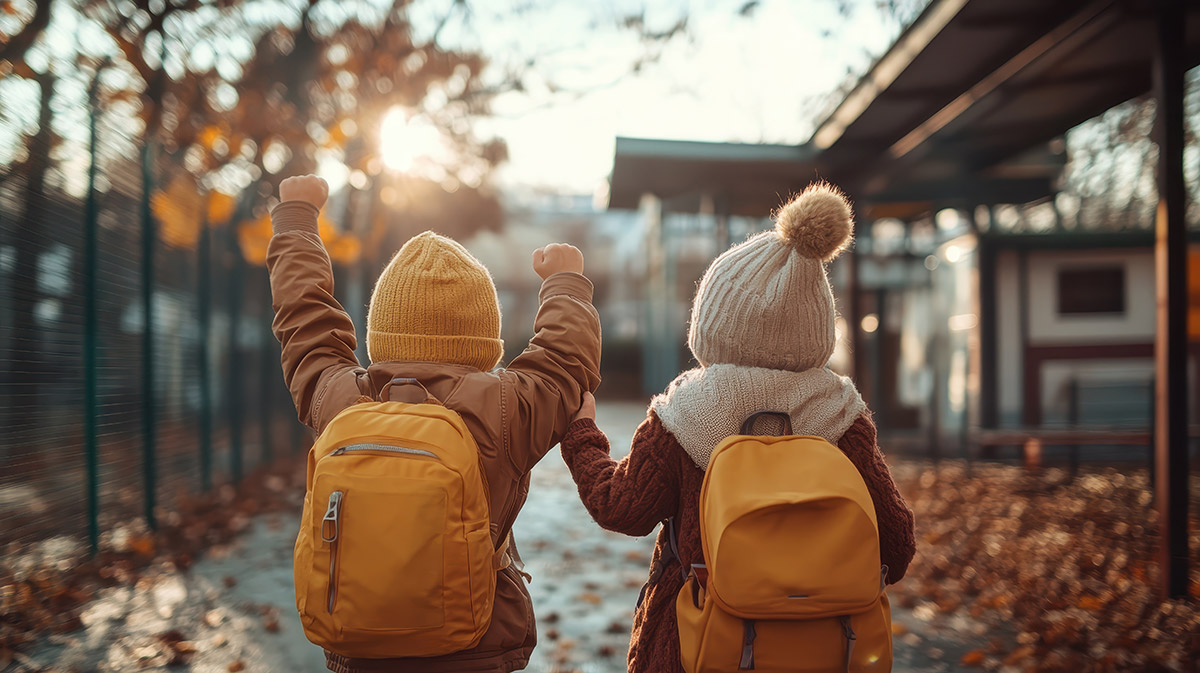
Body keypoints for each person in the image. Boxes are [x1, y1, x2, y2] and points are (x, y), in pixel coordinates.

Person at [558, 182, 916, 673]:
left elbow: (619, 507)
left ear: (714, 322)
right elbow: (896, 547)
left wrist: (581, 434)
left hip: (701, 648)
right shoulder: (842, 416)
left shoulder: (685, 415)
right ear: (815, 327)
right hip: (827, 651)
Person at [267, 174, 602, 673]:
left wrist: (296, 221)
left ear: (380, 332)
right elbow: (565, 361)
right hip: (475, 645)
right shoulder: (506, 409)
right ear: (486, 343)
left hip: (359, 642)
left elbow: (305, 322)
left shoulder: (339, 399)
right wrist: (566, 283)